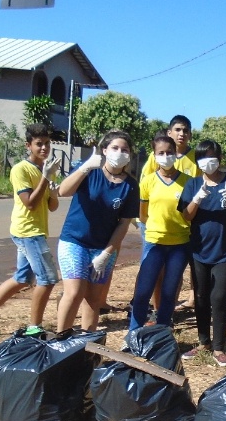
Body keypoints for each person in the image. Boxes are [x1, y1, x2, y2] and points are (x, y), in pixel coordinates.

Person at [0, 123, 60, 336]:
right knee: (47, 279)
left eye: (47, 143)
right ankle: (34, 327)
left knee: (22, 278)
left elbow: (51, 207)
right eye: (39, 144)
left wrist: (53, 192)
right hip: (27, 231)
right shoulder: (21, 170)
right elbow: (29, 203)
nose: (44, 148)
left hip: (36, 230)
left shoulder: (47, 170)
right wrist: (46, 178)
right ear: (28, 145)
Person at [55, 130, 140, 332]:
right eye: (115, 148)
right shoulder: (90, 171)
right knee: (74, 292)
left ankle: (86, 345)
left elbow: (123, 223)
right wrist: (85, 167)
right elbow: (63, 191)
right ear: (104, 150)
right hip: (74, 242)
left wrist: (106, 253)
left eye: (124, 149)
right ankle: (61, 339)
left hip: (103, 248)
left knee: (93, 299)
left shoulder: (130, 185)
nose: (120, 152)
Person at [180, 139, 226, 366]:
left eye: (210, 156)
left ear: (219, 158)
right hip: (199, 249)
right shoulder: (192, 184)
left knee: (218, 296)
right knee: (200, 296)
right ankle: (203, 342)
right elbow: (186, 216)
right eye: (202, 157)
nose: (206, 161)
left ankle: (219, 347)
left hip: (225, 250)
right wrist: (197, 199)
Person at [137, 115, 200, 317]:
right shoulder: (154, 159)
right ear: (169, 132)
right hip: (155, 229)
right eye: (178, 130)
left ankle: (168, 313)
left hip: (182, 230)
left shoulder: (195, 160)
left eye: (185, 130)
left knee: (175, 274)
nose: (182, 134)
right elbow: (145, 189)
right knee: (153, 274)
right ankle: (154, 311)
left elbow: (198, 190)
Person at [128, 131, 191, 330]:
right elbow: (143, 214)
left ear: (175, 154)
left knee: (169, 292)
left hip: (180, 245)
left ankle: (163, 330)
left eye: (170, 152)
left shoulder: (188, 181)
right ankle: (134, 332)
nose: (166, 156)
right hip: (154, 243)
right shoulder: (147, 181)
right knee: (143, 291)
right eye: (161, 153)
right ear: (154, 156)